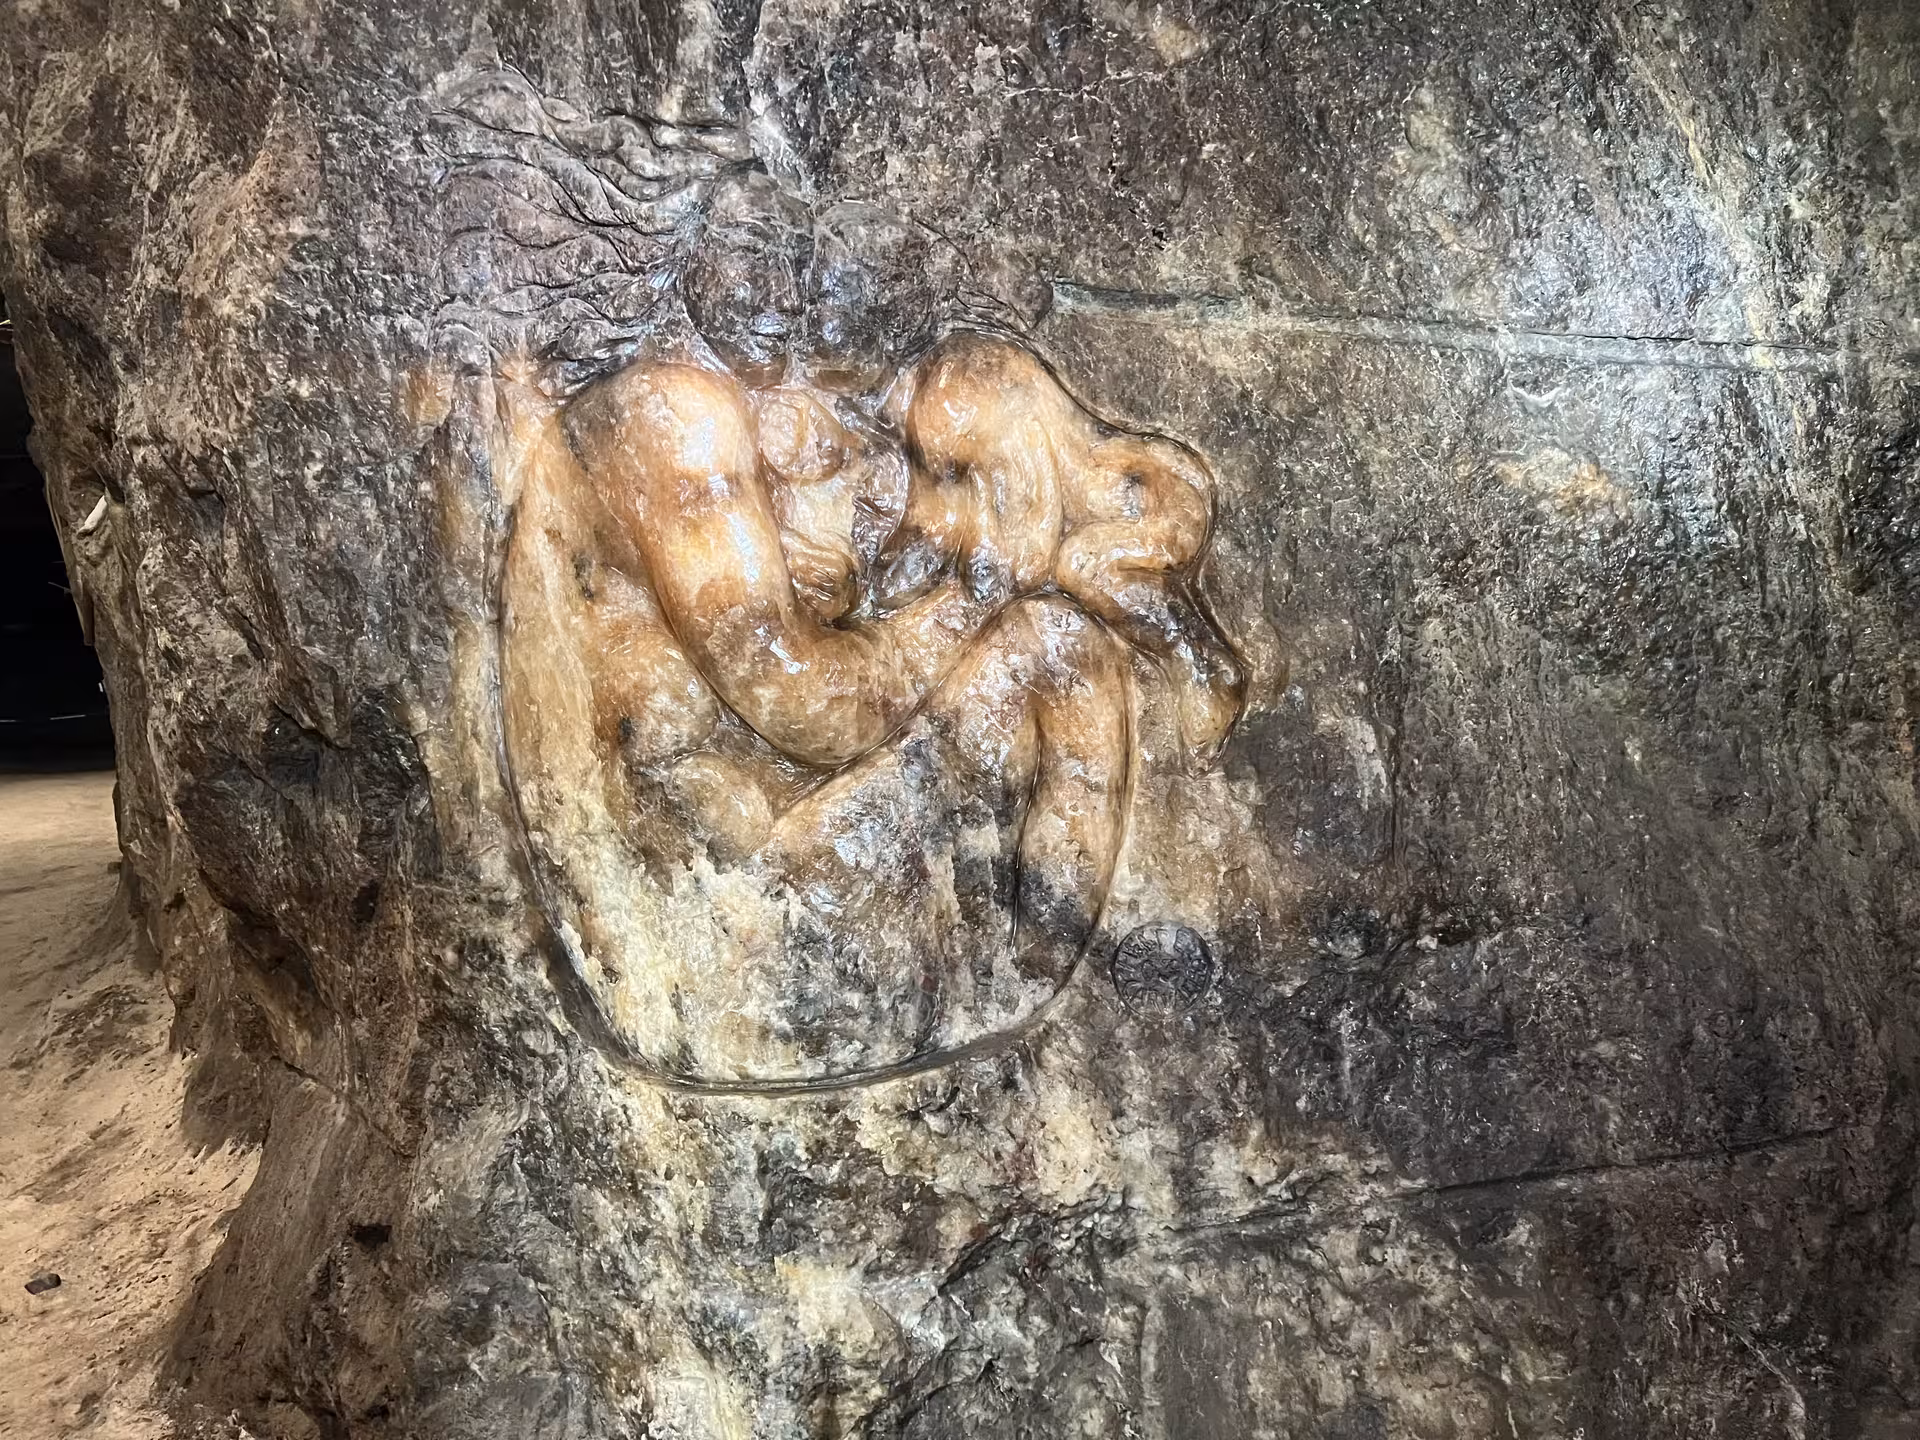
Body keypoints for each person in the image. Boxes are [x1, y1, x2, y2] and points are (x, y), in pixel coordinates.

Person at [501, 173, 1240, 1079]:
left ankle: (1029, 1029)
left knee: (1057, 651)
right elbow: (809, 704)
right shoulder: (673, 422)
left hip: (724, 926)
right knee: (1060, 655)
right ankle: (1031, 1037)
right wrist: (983, 588)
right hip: (711, 958)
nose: (861, 451)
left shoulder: (752, 426)